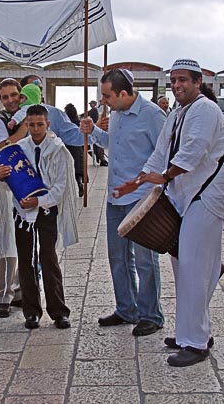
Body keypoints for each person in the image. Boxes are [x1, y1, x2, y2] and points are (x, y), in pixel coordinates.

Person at [114, 59, 224, 367]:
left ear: (197, 81)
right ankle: (189, 332)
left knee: (192, 267)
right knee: (185, 267)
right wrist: (137, 181)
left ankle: (196, 342)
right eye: (173, 80)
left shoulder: (206, 109)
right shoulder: (178, 112)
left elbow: (194, 149)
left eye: (183, 80)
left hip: (204, 198)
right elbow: (161, 151)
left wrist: (163, 176)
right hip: (183, 197)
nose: (177, 85)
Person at [80, 68, 166, 337]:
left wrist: (145, 183)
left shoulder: (152, 115)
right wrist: (93, 131)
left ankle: (151, 314)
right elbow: (112, 144)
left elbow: (164, 154)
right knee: (117, 256)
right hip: (115, 196)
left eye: (106, 95)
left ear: (124, 93)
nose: (103, 101)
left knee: (144, 259)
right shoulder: (115, 114)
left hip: (141, 198)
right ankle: (126, 308)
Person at [0, 105, 77, 330]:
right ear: (26, 125)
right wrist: (1, 176)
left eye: (40, 124)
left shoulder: (58, 149)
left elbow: (60, 186)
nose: (35, 129)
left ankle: (59, 311)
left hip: (47, 210)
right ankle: (31, 312)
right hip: (23, 212)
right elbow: (11, 180)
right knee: (26, 260)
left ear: (47, 124)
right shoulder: (18, 149)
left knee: (48, 257)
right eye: (31, 125)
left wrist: (40, 201)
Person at [0, 78, 28, 318]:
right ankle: (3, 295)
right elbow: (5, 147)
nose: (11, 100)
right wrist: (24, 129)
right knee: (5, 241)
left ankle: (22, 290)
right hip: (4, 184)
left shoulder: (30, 114)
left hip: (27, 183)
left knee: (26, 239)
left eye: (14, 95)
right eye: (5, 97)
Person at [64, 103, 85, 197]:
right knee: (78, 168)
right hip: (77, 148)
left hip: (68, 147)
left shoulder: (65, 123)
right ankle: (79, 183)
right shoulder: (78, 122)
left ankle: (74, 186)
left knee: (71, 168)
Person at [88, 100, 108, 166]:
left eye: (91, 104)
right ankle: (101, 159)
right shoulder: (94, 110)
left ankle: (102, 160)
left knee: (98, 146)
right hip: (95, 128)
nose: (90, 105)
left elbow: (86, 113)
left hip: (96, 128)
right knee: (96, 146)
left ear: (94, 104)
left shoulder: (93, 110)